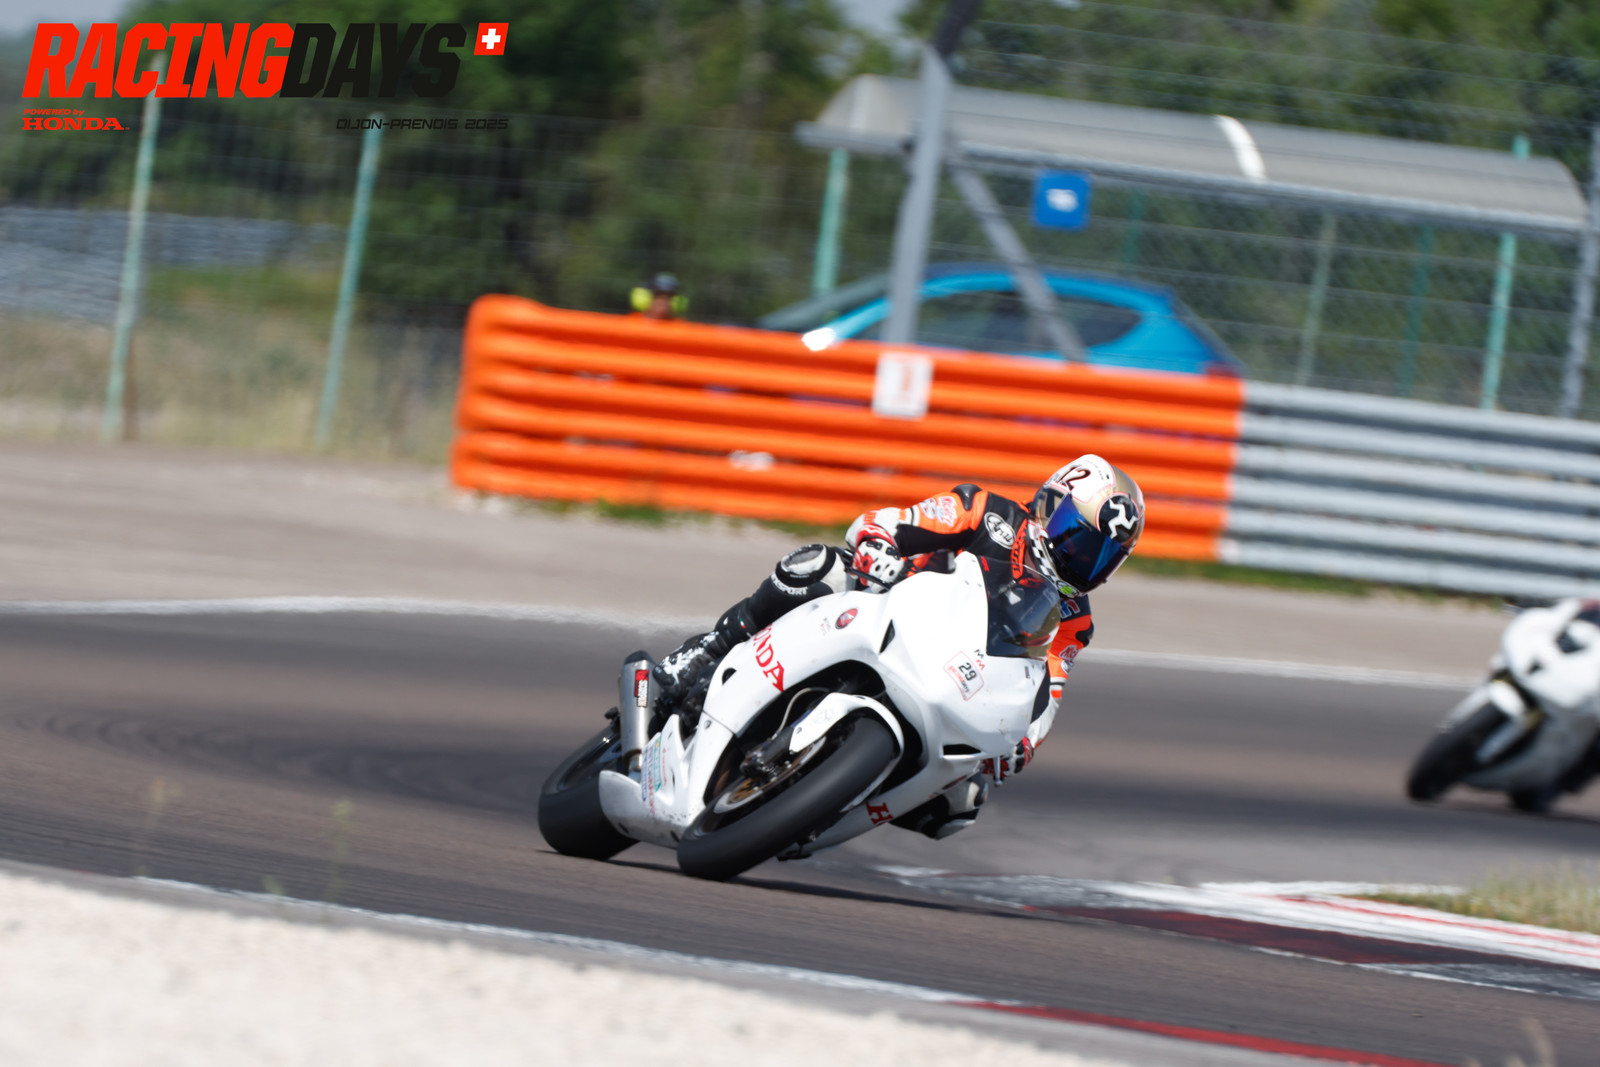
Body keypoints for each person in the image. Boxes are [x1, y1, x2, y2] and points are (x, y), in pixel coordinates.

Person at [652, 453, 1145, 839]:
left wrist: (1024, 744)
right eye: (1079, 540)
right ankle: (708, 650)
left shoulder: (1075, 619)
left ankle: (820, 807)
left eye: (1103, 556)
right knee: (818, 567)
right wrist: (878, 543)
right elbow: (894, 520)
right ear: (1049, 505)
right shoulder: (986, 511)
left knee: (963, 802)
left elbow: (1048, 688)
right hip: (887, 611)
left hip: (953, 681)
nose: (1083, 560)